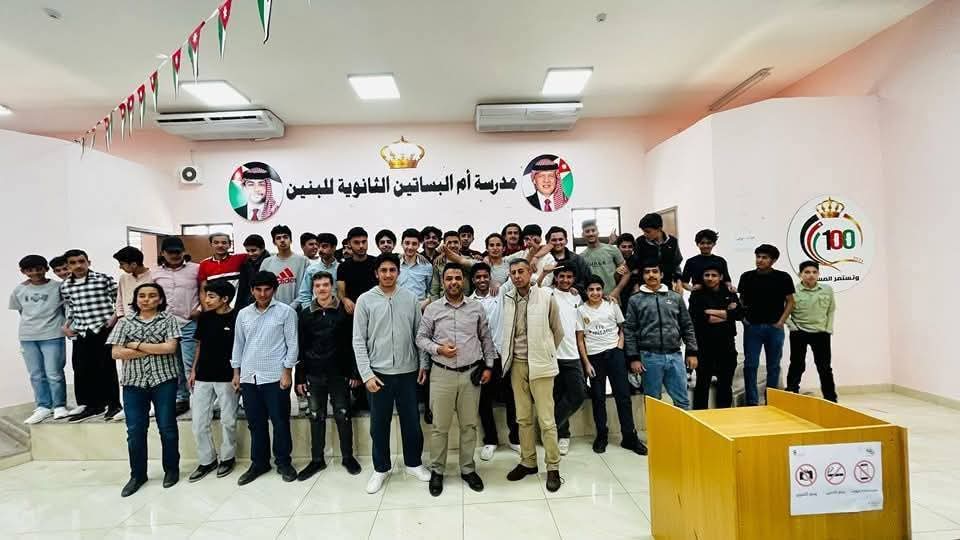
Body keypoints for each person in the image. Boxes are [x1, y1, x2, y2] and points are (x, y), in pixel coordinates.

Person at [353, 253, 432, 494]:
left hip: (408, 373)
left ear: (398, 272)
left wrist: (423, 363)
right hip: (379, 374)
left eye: (392, 270)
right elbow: (358, 340)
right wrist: (366, 374)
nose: (388, 274)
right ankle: (381, 468)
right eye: (383, 270)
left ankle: (414, 463)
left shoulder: (410, 298)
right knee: (379, 425)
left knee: (412, 422)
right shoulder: (365, 300)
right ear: (376, 273)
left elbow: (419, 334)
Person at [416, 263, 496, 496]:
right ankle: (437, 471)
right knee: (440, 427)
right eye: (449, 278)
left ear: (464, 281)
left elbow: (486, 338)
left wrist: (489, 366)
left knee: (469, 426)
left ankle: (468, 469)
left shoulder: (476, 307)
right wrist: (439, 349)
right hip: (442, 374)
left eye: (458, 278)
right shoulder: (432, 309)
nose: (453, 282)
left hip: (471, 375)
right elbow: (421, 338)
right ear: (443, 282)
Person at [107, 283, 182, 497]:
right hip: (133, 383)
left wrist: (135, 345)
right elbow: (115, 353)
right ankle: (137, 475)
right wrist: (153, 349)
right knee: (135, 431)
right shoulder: (124, 322)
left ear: (160, 299)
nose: (146, 299)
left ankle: (171, 470)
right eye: (142, 296)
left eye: (151, 295)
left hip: (164, 380)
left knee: (167, 428)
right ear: (136, 299)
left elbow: (170, 348)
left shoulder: (168, 319)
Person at [501, 259, 565, 492]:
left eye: (521, 271)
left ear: (530, 273)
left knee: (547, 420)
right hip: (517, 365)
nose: (517, 276)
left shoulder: (546, 296)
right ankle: (528, 462)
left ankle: (553, 466)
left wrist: (546, 353)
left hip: (541, 365)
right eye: (513, 273)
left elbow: (558, 331)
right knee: (523, 418)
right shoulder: (508, 298)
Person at [231, 271, 299, 485]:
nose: (262, 294)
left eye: (267, 289)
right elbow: (238, 344)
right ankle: (259, 463)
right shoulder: (243, 314)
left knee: (280, 422)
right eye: (258, 289)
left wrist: (287, 372)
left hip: (275, 376)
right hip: (249, 377)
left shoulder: (286, 312)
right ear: (252, 290)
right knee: (255, 423)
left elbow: (293, 345)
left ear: (274, 290)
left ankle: (283, 462)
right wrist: (236, 373)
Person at [295, 271, 363, 480]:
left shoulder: (344, 312)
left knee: (343, 414)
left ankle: (347, 457)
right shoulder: (305, 314)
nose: (322, 289)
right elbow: (301, 346)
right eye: (318, 286)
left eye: (325, 285)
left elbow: (353, 343)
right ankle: (317, 460)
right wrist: (300, 377)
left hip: (339, 373)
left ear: (332, 287)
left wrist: (355, 372)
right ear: (313, 289)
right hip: (314, 374)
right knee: (316, 416)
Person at [578, 274, 647, 455]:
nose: (595, 293)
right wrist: (586, 363)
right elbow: (580, 339)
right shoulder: (581, 310)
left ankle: (629, 437)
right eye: (591, 289)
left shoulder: (612, 305)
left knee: (623, 396)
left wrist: (619, 347)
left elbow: (623, 328)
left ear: (603, 290)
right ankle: (602, 435)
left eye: (598, 289)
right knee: (598, 397)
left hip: (615, 354)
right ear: (586, 291)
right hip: (594, 357)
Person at [624, 259, 698, 411]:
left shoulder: (675, 297)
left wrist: (692, 352)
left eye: (655, 271)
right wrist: (633, 358)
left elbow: (687, 326)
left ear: (661, 274)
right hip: (649, 357)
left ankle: (682, 428)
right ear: (643, 276)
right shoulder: (635, 300)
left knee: (683, 402)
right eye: (647, 272)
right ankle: (656, 428)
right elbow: (629, 330)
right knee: (653, 403)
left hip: (675, 356)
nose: (651, 275)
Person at [60, 249, 122, 422]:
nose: (78, 265)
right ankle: (93, 405)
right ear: (68, 266)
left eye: (81, 261)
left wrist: (114, 319)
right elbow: (71, 308)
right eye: (73, 263)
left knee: (106, 367)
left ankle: (114, 404)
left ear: (89, 262)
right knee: (83, 369)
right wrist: (66, 326)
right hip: (82, 331)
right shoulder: (66, 286)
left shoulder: (103, 279)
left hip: (103, 329)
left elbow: (120, 300)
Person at [187, 280, 240, 482]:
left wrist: (237, 374)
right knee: (199, 421)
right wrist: (193, 370)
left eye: (211, 296)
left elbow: (240, 348)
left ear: (225, 299)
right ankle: (207, 460)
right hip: (203, 376)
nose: (206, 300)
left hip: (227, 377)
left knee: (228, 420)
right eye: (206, 296)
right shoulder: (205, 317)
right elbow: (200, 345)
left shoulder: (238, 317)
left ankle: (227, 457)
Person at [470, 262, 520, 460]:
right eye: (478, 277)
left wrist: (533, 252)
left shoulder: (500, 293)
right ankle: (490, 440)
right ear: (473, 280)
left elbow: (516, 277)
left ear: (490, 277)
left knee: (512, 398)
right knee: (484, 402)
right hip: (482, 359)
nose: (482, 280)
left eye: (485, 276)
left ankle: (515, 438)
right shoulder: (469, 302)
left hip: (503, 356)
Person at [10, 255, 68, 424]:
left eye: (39, 269)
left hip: (53, 334)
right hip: (28, 337)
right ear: (23, 271)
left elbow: (66, 309)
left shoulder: (58, 287)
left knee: (54, 373)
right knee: (36, 374)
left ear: (46, 269)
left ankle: (59, 405)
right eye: (30, 270)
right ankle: (43, 406)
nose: (35, 272)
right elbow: (22, 312)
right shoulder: (19, 290)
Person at [738, 244, 795, 406]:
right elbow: (741, 301)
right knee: (750, 365)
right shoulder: (747, 277)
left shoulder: (783, 277)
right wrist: (744, 320)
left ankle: (772, 402)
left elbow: (790, 302)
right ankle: (752, 402)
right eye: (758, 257)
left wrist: (781, 322)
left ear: (773, 260)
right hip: (753, 328)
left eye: (765, 257)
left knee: (773, 366)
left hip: (774, 328)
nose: (760, 260)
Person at [153, 237, 201, 416]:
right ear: (163, 253)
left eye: (178, 252)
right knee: (174, 366)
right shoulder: (155, 273)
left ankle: (199, 399)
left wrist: (199, 309)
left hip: (189, 323)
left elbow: (205, 290)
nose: (175, 255)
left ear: (183, 251)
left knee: (191, 364)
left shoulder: (196, 269)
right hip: (166, 326)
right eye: (170, 252)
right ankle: (181, 398)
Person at [688, 262, 742, 409]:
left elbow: (739, 314)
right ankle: (700, 418)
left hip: (727, 346)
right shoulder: (696, 294)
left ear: (721, 277)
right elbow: (698, 317)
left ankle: (723, 417)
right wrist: (726, 313)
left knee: (725, 386)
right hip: (704, 347)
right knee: (702, 385)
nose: (710, 278)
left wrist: (712, 311)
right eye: (707, 275)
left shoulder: (730, 293)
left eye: (714, 275)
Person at [546, 267, 587, 456]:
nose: (565, 280)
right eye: (561, 276)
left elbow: (579, 328)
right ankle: (563, 435)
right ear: (555, 277)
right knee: (556, 396)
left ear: (574, 279)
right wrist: (544, 273)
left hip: (573, 355)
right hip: (553, 354)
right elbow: (534, 288)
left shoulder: (577, 298)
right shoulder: (548, 293)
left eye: (569, 277)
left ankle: (550, 426)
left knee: (578, 394)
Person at [786, 261, 837, 403]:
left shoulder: (827, 289)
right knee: (797, 365)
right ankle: (791, 394)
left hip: (821, 333)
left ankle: (831, 398)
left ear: (818, 274)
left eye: (814, 272)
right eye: (807, 272)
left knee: (824, 367)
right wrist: (792, 327)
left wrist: (828, 329)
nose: (811, 275)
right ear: (800, 274)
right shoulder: (792, 291)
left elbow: (831, 310)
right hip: (799, 332)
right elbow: (784, 311)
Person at [623, 213, 684, 299]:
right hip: (644, 286)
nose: (645, 234)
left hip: (666, 285)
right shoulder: (640, 242)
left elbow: (676, 264)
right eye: (643, 231)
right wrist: (635, 285)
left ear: (659, 229)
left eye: (648, 231)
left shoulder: (672, 242)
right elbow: (635, 265)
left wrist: (679, 282)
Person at [260, 225, 310, 308]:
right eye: (278, 238)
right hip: (273, 309)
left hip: (298, 309)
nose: (282, 240)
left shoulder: (303, 261)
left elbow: (307, 288)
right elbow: (262, 288)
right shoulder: (266, 263)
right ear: (274, 242)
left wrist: (292, 306)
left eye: (285, 237)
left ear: (291, 240)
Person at [579, 219, 627, 298]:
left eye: (593, 230)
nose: (591, 233)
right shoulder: (581, 257)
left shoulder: (612, 250)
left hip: (612, 297)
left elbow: (626, 273)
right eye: (587, 231)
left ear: (598, 232)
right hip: (593, 298)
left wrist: (616, 291)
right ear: (583, 235)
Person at [337, 228, 378, 315]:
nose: (361, 246)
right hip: (352, 312)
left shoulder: (377, 263)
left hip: (375, 310)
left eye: (364, 242)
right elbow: (340, 292)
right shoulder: (343, 267)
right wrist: (345, 300)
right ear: (349, 244)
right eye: (356, 242)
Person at [540, 226, 590, 292]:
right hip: (548, 296)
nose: (558, 242)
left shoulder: (578, 259)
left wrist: (577, 288)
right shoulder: (543, 260)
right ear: (547, 242)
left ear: (566, 241)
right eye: (554, 240)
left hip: (574, 296)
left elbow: (587, 279)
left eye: (560, 239)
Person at [298, 232, 339, 309]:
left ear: (334, 248)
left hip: (336, 312)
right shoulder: (311, 269)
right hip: (316, 312)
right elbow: (304, 294)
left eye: (324, 246)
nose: (320, 250)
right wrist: (309, 311)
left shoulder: (341, 268)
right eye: (318, 246)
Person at [429, 231, 475, 300]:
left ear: (460, 244)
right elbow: (434, 290)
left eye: (455, 242)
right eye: (449, 243)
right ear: (444, 245)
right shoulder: (438, 263)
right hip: (444, 303)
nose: (453, 245)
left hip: (465, 302)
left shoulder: (468, 260)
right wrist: (436, 304)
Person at [112, 246, 153, 318]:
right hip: (127, 321)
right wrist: (121, 318)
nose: (120, 267)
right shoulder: (123, 278)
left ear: (134, 264)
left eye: (122, 264)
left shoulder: (153, 277)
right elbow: (119, 302)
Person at [397, 228, 433, 308]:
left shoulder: (427, 266)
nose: (410, 247)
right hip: (397, 308)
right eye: (407, 243)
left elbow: (431, 291)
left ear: (418, 245)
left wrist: (425, 303)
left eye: (414, 244)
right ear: (402, 244)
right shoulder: (395, 264)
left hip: (419, 308)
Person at [236, 234, 271, 310]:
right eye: (248, 251)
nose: (250, 254)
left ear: (262, 248)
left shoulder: (271, 262)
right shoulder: (246, 265)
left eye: (253, 250)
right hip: (249, 305)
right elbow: (242, 290)